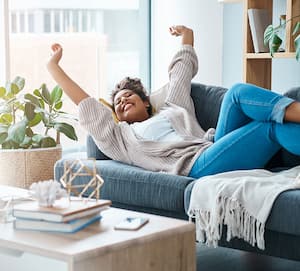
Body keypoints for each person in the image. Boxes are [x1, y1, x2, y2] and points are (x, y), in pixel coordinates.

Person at [47, 25, 300, 179]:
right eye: (117, 104)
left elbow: (181, 71)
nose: (122, 101)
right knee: (269, 128)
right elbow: (87, 105)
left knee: (236, 93)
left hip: (213, 146)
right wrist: (53, 66)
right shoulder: (121, 139)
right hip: (196, 166)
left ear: (146, 102)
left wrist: (188, 36)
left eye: (128, 96)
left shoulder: (172, 108)